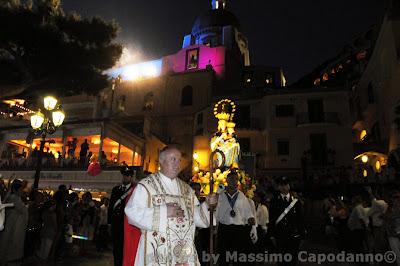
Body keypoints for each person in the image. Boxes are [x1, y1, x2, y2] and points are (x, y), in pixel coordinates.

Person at [125, 146, 217, 266]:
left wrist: (208, 205)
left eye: (179, 160)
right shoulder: (146, 186)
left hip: (183, 252)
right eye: (173, 159)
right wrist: (164, 212)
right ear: (161, 162)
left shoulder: (187, 190)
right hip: (157, 253)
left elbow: (199, 219)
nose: (177, 164)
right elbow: (132, 213)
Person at [215, 171, 257, 266]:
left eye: (236, 179)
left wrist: (252, 224)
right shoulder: (221, 196)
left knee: (238, 258)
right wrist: (215, 224)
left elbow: (248, 213)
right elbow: (215, 211)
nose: (234, 181)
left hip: (238, 230)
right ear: (227, 180)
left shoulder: (242, 196)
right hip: (224, 229)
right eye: (231, 179)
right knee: (223, 258)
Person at [269, 176, 305, 266]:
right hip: (280, 234)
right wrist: (271, 234)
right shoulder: (274, 201)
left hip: (293, 235)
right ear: (278, 187)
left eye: (285, 185)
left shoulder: (296, 202)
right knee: (281, 260)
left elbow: (300, 219)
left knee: (292, 261)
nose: (284, 187)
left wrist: (302, 234)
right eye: (281, 185)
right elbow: (272, 218)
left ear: (289, 186)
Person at [108, 166, 135, 266]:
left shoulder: (134, 191)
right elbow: (111, 207)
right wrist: (109, 223)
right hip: (116, 224)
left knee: (125, 248)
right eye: (124, 175)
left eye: (127, 176)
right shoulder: (116, 189)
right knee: (116, 249)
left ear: (131, 177)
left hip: (126, 225)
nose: (125, 177)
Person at [0, 179, 28, 266]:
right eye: (20, 189)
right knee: (9, 247)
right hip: (12, 228)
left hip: (14, 227)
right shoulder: (13, 198)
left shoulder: (15, 198)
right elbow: (23, 210)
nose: (21, 191)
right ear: (15, 190)